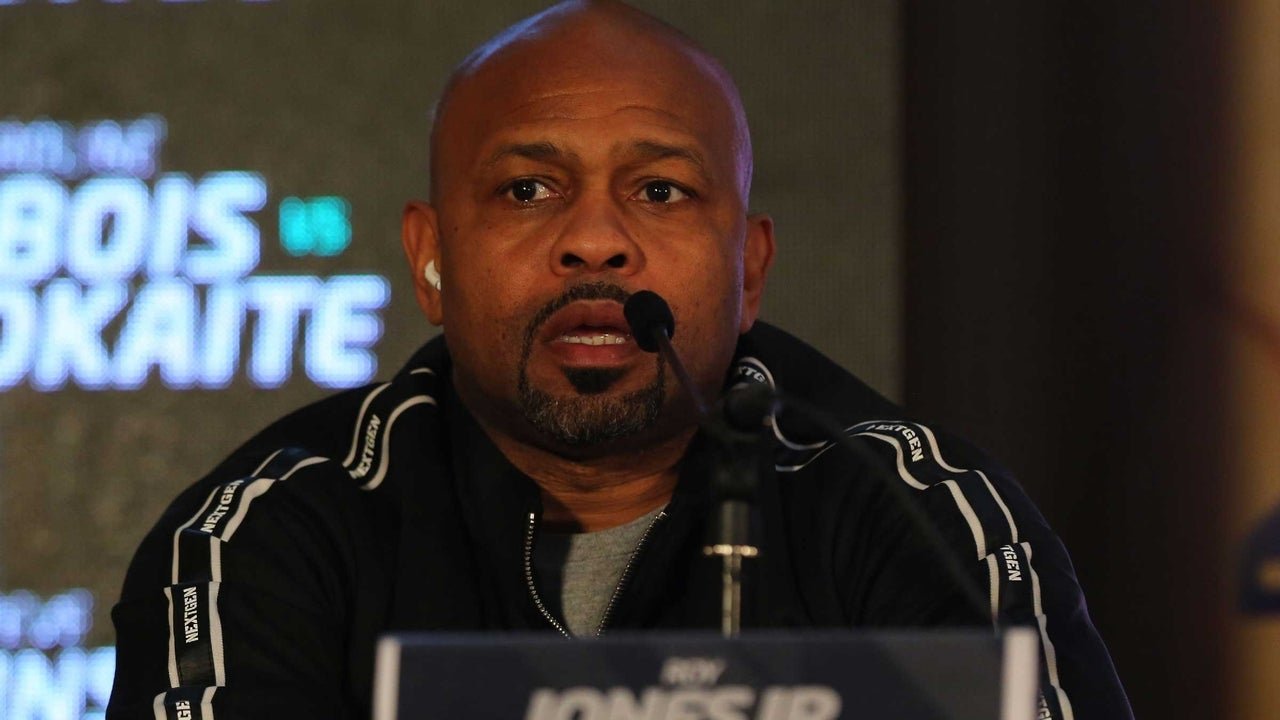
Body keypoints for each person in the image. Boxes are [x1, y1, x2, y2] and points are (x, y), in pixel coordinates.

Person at [108, 1, 1132, 718]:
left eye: (658, 192)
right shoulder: (273, 533)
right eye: (527, 190)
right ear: (429, 260)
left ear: (749, 270)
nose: (595, 242)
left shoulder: (914, 513)